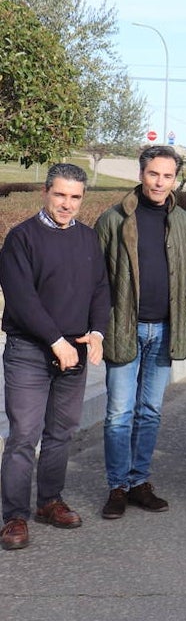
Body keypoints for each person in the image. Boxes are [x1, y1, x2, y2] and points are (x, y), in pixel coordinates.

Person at [0, 164, 109, 551]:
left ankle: (49, 501)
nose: (67, 204)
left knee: (61, 433)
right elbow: (21, 299)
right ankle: (14, 515)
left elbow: (100, 289)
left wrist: (96, 333)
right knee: (23, 436)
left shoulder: (87, 238)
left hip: (74, 351)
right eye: (61, 195)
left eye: (76, 197)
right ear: (46, 192)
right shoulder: (22, 238)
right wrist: (55, 341)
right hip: (29, 352)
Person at [94, 146, 186, 520]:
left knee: (150, 411)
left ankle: (140, 481)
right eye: (154, 174)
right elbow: (96, 279)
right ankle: (117, 486)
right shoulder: (113, 220)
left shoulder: (185, 224)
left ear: (174, 179)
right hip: (124, 327)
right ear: (142, 174)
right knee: (119, 413)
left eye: (167, 175)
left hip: (165, 330)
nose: (160, 182)